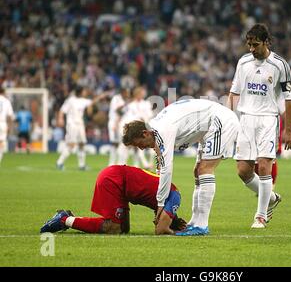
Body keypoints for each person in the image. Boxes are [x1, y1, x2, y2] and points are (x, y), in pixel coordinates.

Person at [122, 98, 240, 236]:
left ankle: (201, 225)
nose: (141, 149)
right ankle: (194, 222)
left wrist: (160, 204)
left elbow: (167, 169)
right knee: (197, 171)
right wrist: (159, 200)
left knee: (205, 169)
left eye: (139, 144)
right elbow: (160, 168)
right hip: (208, 126)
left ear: (145, 133)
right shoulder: (155, 129)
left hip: (220, 121)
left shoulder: (162, 130)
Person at [227, 23, 291, 229]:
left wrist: (289, 129)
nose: (251, 49)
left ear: (266, 42)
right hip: (246, 118)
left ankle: (260, 216)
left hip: (268, 119)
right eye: (249, 44)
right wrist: (231, 119)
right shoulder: (243, 62)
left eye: (255, 44)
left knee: (264, 166)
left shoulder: (280, 65)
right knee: (242, 171)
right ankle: (272, 198)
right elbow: (234, 93)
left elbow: (289, 98)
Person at [40, 165, 186, 235]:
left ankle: (70, 218)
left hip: (120, 182)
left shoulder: (169, 195)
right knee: (113, 227)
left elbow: (162, 221)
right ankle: (64, 219)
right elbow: (160, 230)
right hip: (114, 180)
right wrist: (180, 234)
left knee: (124, 229)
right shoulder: (175, 196)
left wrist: (172, 224)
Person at [56, 86, 109, 171]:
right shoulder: (70, 100)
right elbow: (62, 110)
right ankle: (59, 163)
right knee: (71, 144)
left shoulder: (84, 101)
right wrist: (60, 118)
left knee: (82, 144)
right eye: (84, 91)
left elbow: (92, 102)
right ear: (80, 92)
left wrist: (101, 96)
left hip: (80, 124)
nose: (85, 93)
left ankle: (82, 165)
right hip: (72, 124)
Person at [108, 88, 130, 166]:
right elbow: (117, 110)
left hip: (121, 124)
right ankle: (111, 163)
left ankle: (120, 163)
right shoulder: (116, 98)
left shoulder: (126, 101)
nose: (128, 95)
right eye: (127, 93)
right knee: (114, 143)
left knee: (122, 143)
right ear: (123, 92)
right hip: (114, 122)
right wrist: (125, 104)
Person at [0, 87, 14, 165]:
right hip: (2, 123)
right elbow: (10, 116)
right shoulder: (6, 101)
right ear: (3, 92)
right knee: (1, 143)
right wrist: (9, 126)